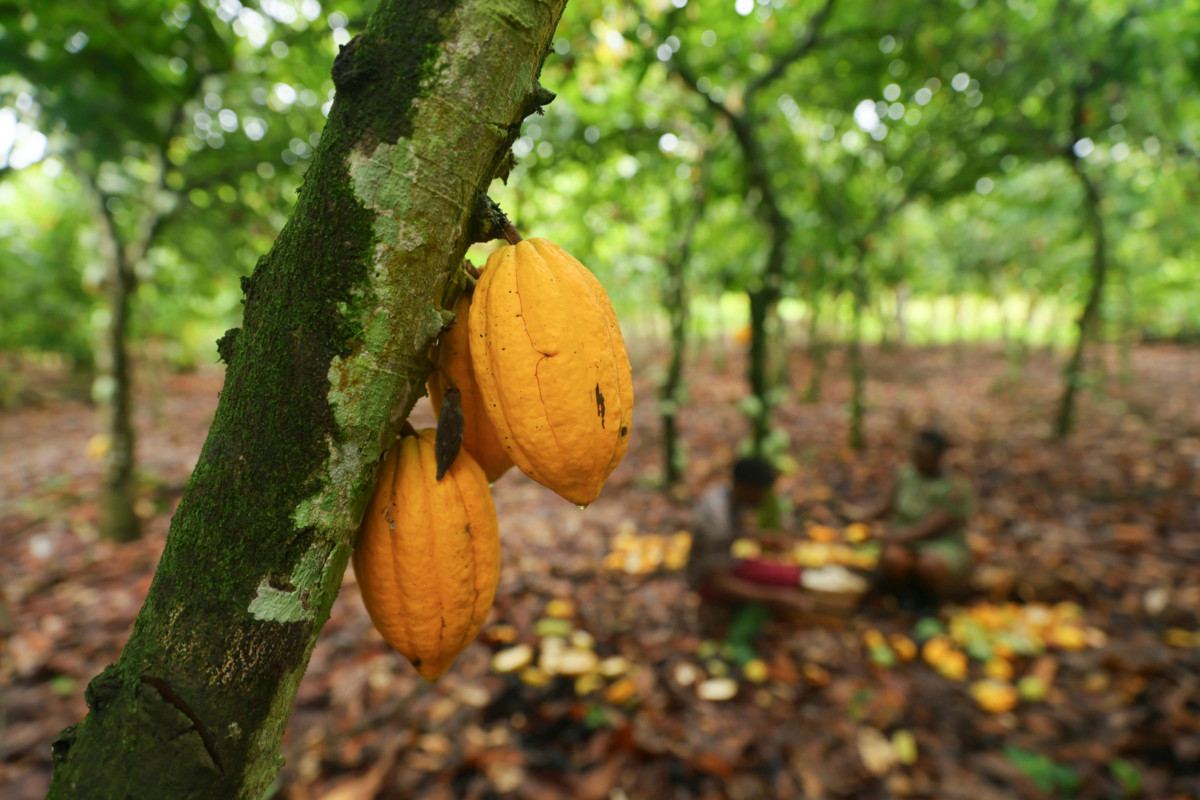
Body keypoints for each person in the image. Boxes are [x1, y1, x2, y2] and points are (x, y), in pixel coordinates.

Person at [688, 457, 811, 663]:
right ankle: (736, 639)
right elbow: (720, 583)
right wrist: (775, 597)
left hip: (726, 563)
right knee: (783, 585)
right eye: (762, 491)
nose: (764, 498)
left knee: (792, 575)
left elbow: (733, 533)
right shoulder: (717, 519)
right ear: (747, 487)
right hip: (706, 580)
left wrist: (763, 537)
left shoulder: (727, 494)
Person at [860, 429, 975, 602]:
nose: (917, 459)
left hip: (941, 543)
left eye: (924, 455)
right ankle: (900, 599)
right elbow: (886, 505)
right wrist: (860, 521)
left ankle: (931, 602)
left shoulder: (955, 487)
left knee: (929, 565)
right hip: (902, 537)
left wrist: (890, 538)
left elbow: (930, 528)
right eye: (915, 453)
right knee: (893, 559)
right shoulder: (907, 475)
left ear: (938, 457)